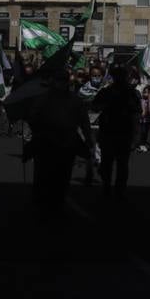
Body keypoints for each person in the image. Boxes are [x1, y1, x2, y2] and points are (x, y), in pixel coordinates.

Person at [26, 65, 92, 215]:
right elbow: (32, 118)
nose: (61, 84)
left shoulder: (73, 101)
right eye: (59, 81)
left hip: (63, 144)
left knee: (59, 175)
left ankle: (53, 202)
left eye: (63, 81)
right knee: (47, 174)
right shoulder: (43, 99)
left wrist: (88, 140)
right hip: (48, 143)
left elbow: (84, 123)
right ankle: (45, 202)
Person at [94, 64, 140, 200]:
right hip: (109, 132)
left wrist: (135, 136)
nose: (120, 78)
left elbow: (136, 113)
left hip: (123, 132)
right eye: (117, 75)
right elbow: (95, 106)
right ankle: (107, 186)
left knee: (121, 164)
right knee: (107, 163)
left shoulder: (131, 93)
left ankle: (119, 189)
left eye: (122, 75)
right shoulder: (106, 92)